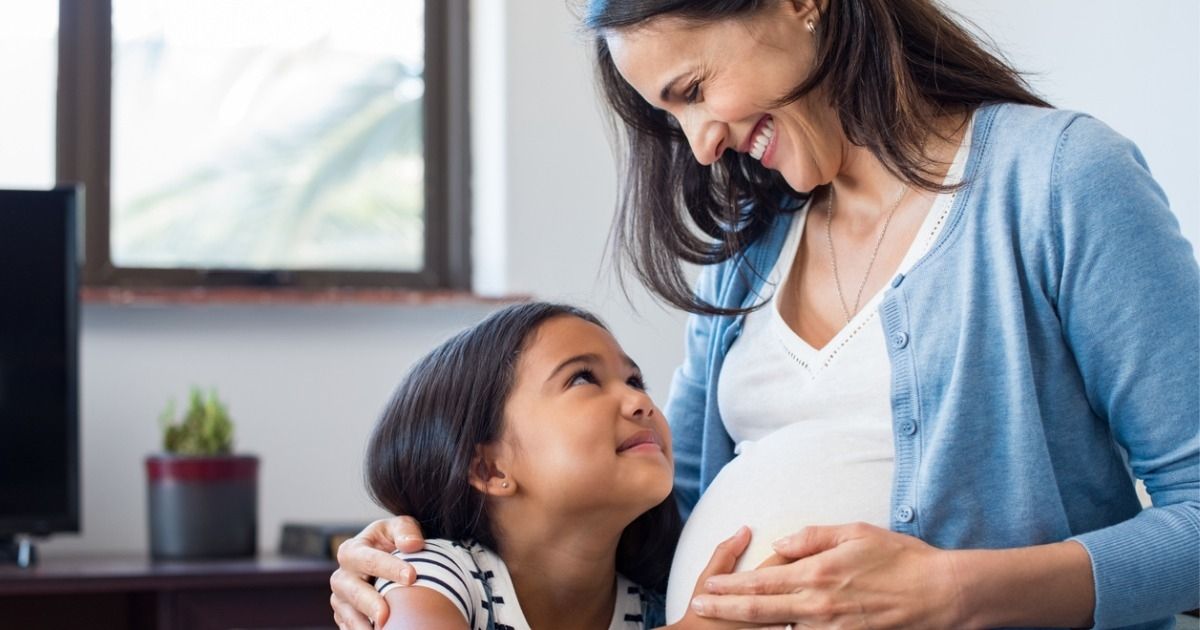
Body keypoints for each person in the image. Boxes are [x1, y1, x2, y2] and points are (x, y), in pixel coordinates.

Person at [331, 1, 1200, 629]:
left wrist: (955, 592)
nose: (700, 142)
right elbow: (661, 518)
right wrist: (430, 554)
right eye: (670, 116)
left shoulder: (1057, 181)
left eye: (696, 87)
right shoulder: (749, 252)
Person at [356, 301, 768, 630]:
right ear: (490, 470)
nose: (640, 402)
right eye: (583, 379)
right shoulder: (430, 576)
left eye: (634, 381)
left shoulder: (656, 606)